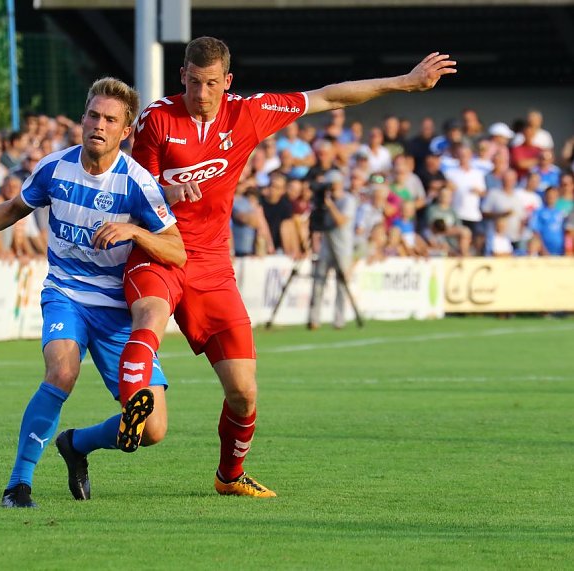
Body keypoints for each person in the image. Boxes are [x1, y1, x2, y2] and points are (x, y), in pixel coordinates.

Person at [127, 36, 456, 497]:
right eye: (194, 82)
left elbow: (329, 95)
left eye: (211, 84)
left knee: (244, 392)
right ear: (181, 75)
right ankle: (133, 399)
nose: (201, 94)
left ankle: (230, 476)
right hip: (160, 249)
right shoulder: (157, 118)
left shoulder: (248, 112)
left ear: (228, 82)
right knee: (150, 318)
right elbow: (132, 187)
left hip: (212, 266)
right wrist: (165, 190)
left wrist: (403, 82)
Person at [0, 77, 185, 508]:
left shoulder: (137, 183)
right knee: (61, 371)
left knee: (151, 429)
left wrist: (134, 230)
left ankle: (77, 444)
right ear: (83, 119)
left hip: (118, 310)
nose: (99, 125)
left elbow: (178, 250)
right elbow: (16, 206)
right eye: (94, 115)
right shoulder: (54, 167)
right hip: (66, 293)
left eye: (110, 120)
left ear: (125, 130)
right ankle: (17, 485)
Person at [308, 172, 358, 330]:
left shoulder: (348, 200)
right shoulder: (323, 202)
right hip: (326, 245)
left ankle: (339, 320)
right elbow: (317, 222)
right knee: (319, 281)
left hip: (342, 247)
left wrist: (330, 204)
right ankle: (314, 319)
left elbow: (341, 221)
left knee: (341, 283)